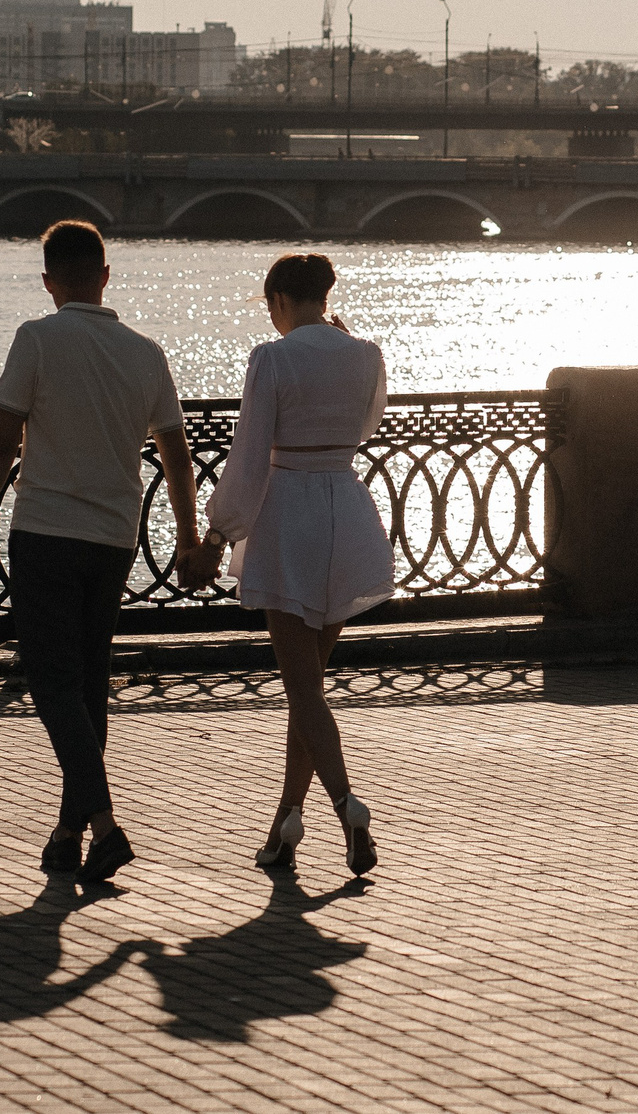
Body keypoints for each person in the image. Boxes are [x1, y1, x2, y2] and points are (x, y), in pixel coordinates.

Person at [0, 220, 200, 885]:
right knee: (89, 688)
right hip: (115, 537)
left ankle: (107, 823)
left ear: (48, 281)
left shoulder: (36, 338)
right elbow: (177, 455)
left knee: (51, 682)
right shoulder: (146, 352)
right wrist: (187, 533)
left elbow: (3, 440)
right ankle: (69, 836)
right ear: (105, 275)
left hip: (44, 532)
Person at [182, 251, 391, 876]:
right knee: (312, 692)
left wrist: (217, 534)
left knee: (302, 689)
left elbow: (249, 454)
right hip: (346, 511)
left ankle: (349, 805)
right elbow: (370, 424)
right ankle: (284, 827)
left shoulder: (272, 358)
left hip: (288, 514)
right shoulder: (366, 355)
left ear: (278, 302)